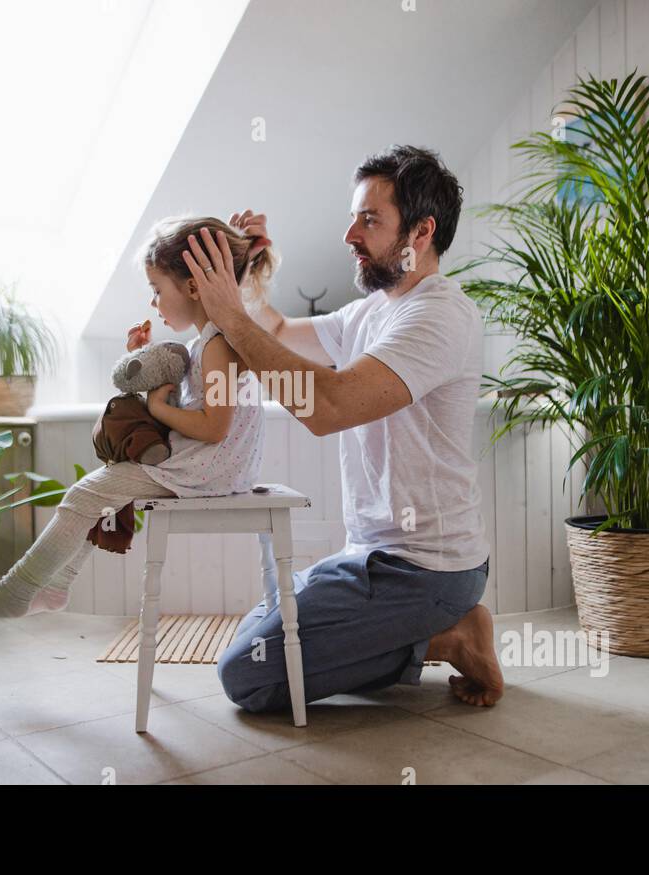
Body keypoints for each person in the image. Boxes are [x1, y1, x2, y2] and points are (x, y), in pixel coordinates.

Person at [196, 145, 504, 708]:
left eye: (369, 220)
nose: (349, 235)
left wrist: (230, 316)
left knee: (247, 675)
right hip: (369, 554)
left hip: (424, 569)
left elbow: (328, 407)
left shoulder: (437, 315)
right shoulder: (374, 309)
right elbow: (282, 331)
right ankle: (437, 632)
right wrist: (245, 280)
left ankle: (450, 636)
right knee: (252, 638)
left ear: (420, 232)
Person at [0, 217, 274, 620]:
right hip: (210, 465)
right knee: (96, 497)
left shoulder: (218, 346)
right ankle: (54, 587)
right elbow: (196, 406)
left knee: (85, 496)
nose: (153, 303)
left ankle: (19, 590)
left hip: (210, 470)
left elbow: (214, 426)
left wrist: (156, 409)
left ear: (192, 286)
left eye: (157, 290)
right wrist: (148, 362)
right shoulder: (207, 342)